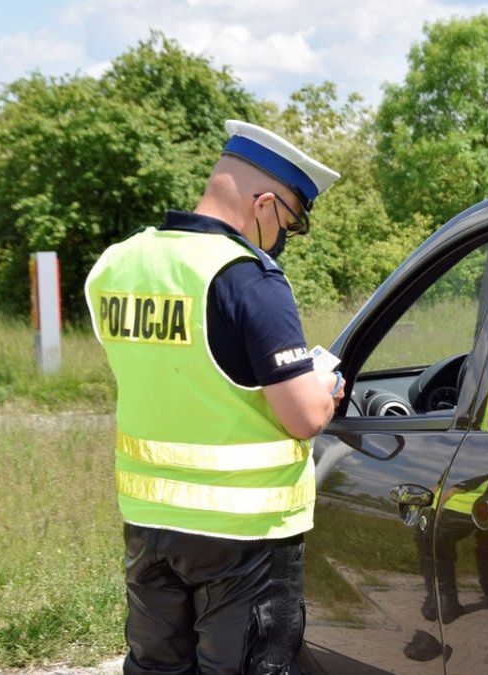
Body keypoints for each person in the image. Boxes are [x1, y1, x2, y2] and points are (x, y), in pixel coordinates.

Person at [85, 119, 345, 674]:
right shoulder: (247, 277)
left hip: (149, 525)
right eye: (291, 224)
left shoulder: (117, 264)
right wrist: (324, 389)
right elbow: (303, 417)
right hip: (243, 535)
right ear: (266, 203)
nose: (284, 239)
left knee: (158, 668)